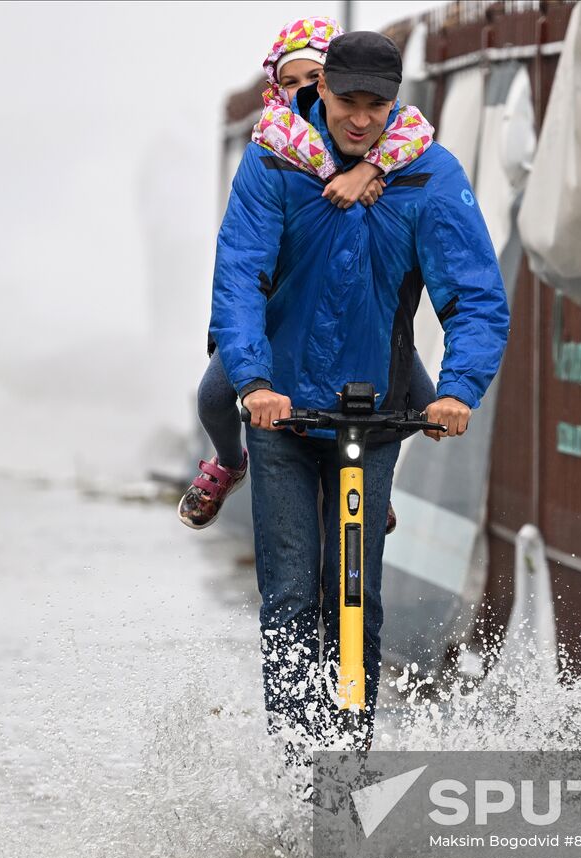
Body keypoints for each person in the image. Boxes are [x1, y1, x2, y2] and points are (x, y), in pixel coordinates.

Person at [209, 30, 510, 750]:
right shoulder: (273, 161)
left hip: (371, 417)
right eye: (347, 102)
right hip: (280, 415)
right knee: (289, 596)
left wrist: (459, 389)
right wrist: (251, 380)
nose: (360, 119)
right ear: (322, 90)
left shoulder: (426, 175)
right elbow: (240, 276)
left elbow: (473, 296)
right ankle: (294, 755)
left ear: (395, 102)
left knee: (357, 597)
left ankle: (347, 766)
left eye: (378, 106)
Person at [178, 16, 437, 533]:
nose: (302, 92)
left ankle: (365, 479)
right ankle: (231, 463)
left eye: (311, 79)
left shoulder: (382, 139)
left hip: (359, 312)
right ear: (281, 87)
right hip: (276, 314)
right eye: (290, 81)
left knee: (426, 407)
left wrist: (372, 168)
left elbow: (417, 133)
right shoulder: (272, 142)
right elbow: (243, 257)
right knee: (213, 397)